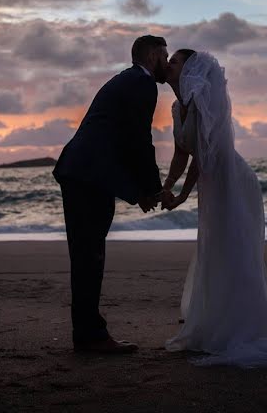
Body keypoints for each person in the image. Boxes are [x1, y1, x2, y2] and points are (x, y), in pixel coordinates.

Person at [162, 49, 267, 367]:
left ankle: (241, 330)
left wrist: (185, 193)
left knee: (233, 252)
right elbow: (182, 153)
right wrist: (167, 187)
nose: (168, 64)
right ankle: (215, 324)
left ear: (190, 69)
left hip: (231, 180)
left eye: (174, 60)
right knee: (215, 251)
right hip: (212, 182)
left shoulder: (205, 101)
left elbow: (206, 154)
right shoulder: (178, 106)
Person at [52, 35, 169, 354]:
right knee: (89, 255)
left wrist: (142, 191)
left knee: (85, 255)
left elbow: (123, 140)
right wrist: (150, 190)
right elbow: (139, 140)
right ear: (152, 54)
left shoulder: (124, 80)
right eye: (165, 55)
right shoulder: (143, 83)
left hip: (81, 172)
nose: (167, 62)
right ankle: (90, 336)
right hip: (89, 176)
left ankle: (86, 333)